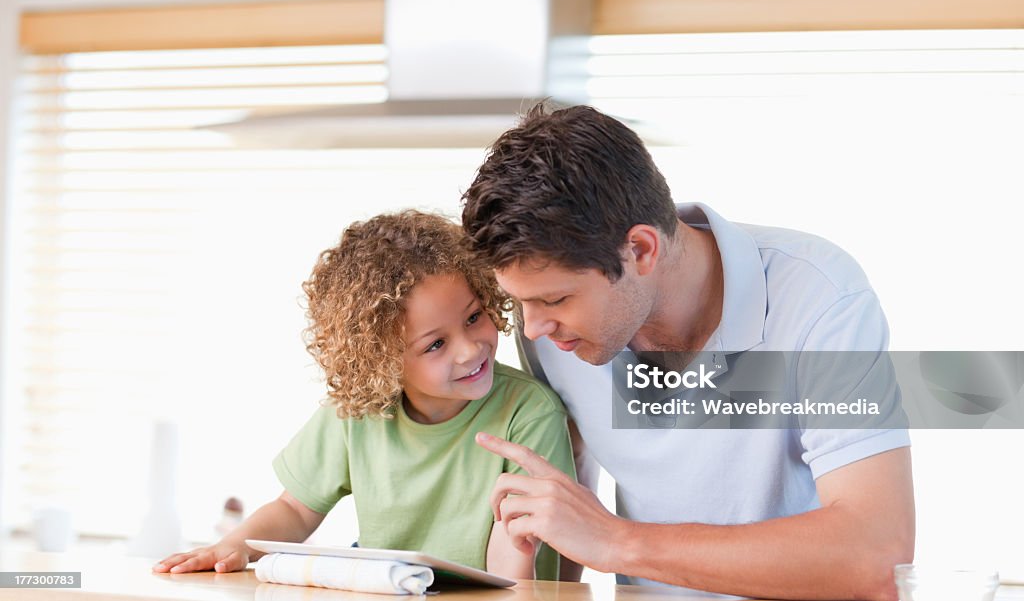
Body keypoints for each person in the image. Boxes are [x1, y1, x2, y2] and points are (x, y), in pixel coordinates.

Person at [460, 105, 915, 600]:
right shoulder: (551, 336)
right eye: (519, 301)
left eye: (555, 299)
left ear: (640, 250)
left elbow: (875, 552)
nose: (533, 327)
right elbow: (566, 516)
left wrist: (618, 541)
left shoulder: (819, 296)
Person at [153, 210, 576, 580]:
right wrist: (236, 546)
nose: (470, 349)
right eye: (435, 344)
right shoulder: (357, 413)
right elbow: (296, 510)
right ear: (383, 361)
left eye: (473, 317)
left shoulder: (528, 413)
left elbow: (517, 554)